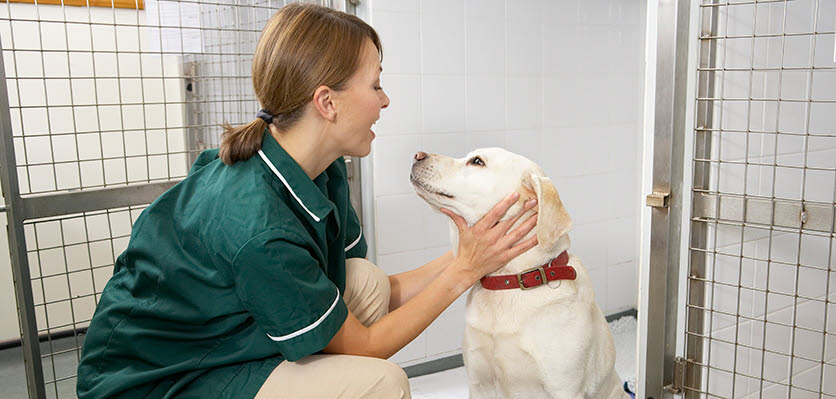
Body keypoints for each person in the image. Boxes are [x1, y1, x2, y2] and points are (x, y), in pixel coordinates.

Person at [76, 3, 538, 398]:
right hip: (164, 381)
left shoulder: (316, 168)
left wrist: (472, 248)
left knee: (365, 281)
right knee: (381, 382)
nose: (386, 100)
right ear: (327, 102)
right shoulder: (259, 223)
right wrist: (465, 270)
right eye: (375, 85)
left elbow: (382, 298)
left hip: (220, 337)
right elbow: (367, 346)